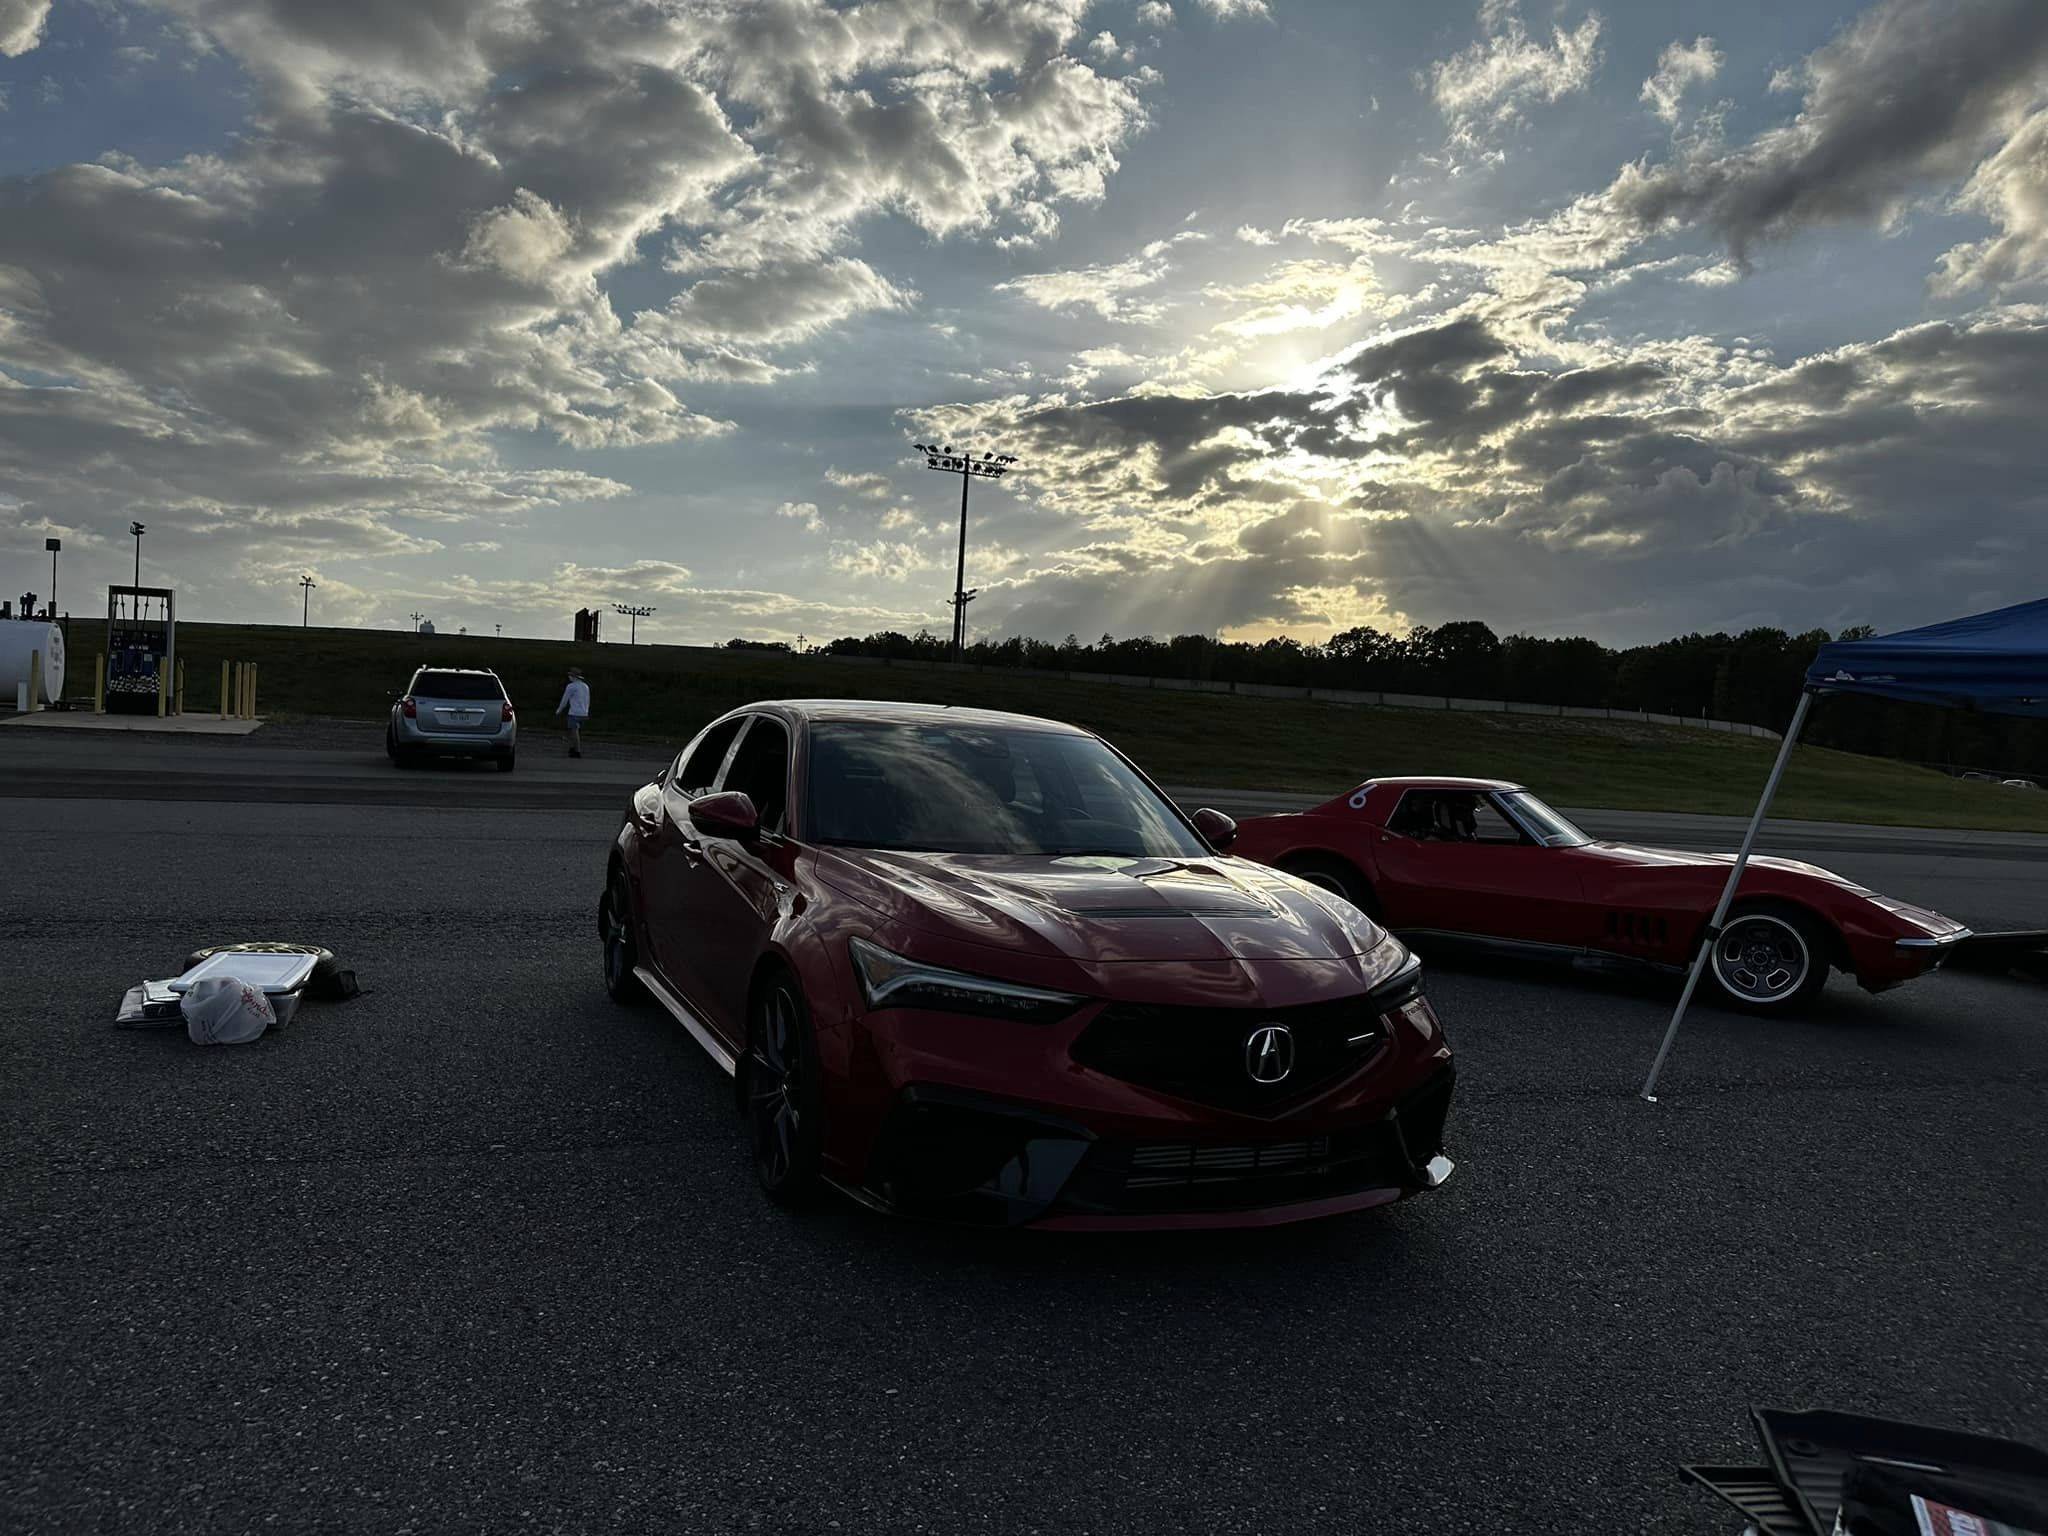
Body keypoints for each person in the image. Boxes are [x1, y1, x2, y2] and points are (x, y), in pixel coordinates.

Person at [555, 667, 590, 757]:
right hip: (584, 712)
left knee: (574, 732)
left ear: (573, 677)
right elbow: (587, 700)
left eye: (570, 675)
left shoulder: (571, 686)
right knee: (573, 732)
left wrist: (559, 710)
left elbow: (564, 700)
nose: (569, 677)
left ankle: (577, 751)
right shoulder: (585, 686)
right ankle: (572, 748)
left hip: (574, 713)